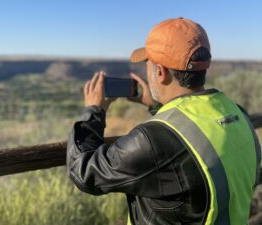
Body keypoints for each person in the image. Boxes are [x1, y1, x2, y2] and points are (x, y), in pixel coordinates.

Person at [66, 17, 261, 225]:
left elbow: (85, 172)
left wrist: (94, 110)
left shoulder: (151, 140)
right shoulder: (237, 114)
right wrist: (158, 106)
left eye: (147, 64)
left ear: (160, 72)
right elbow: (193, 143)